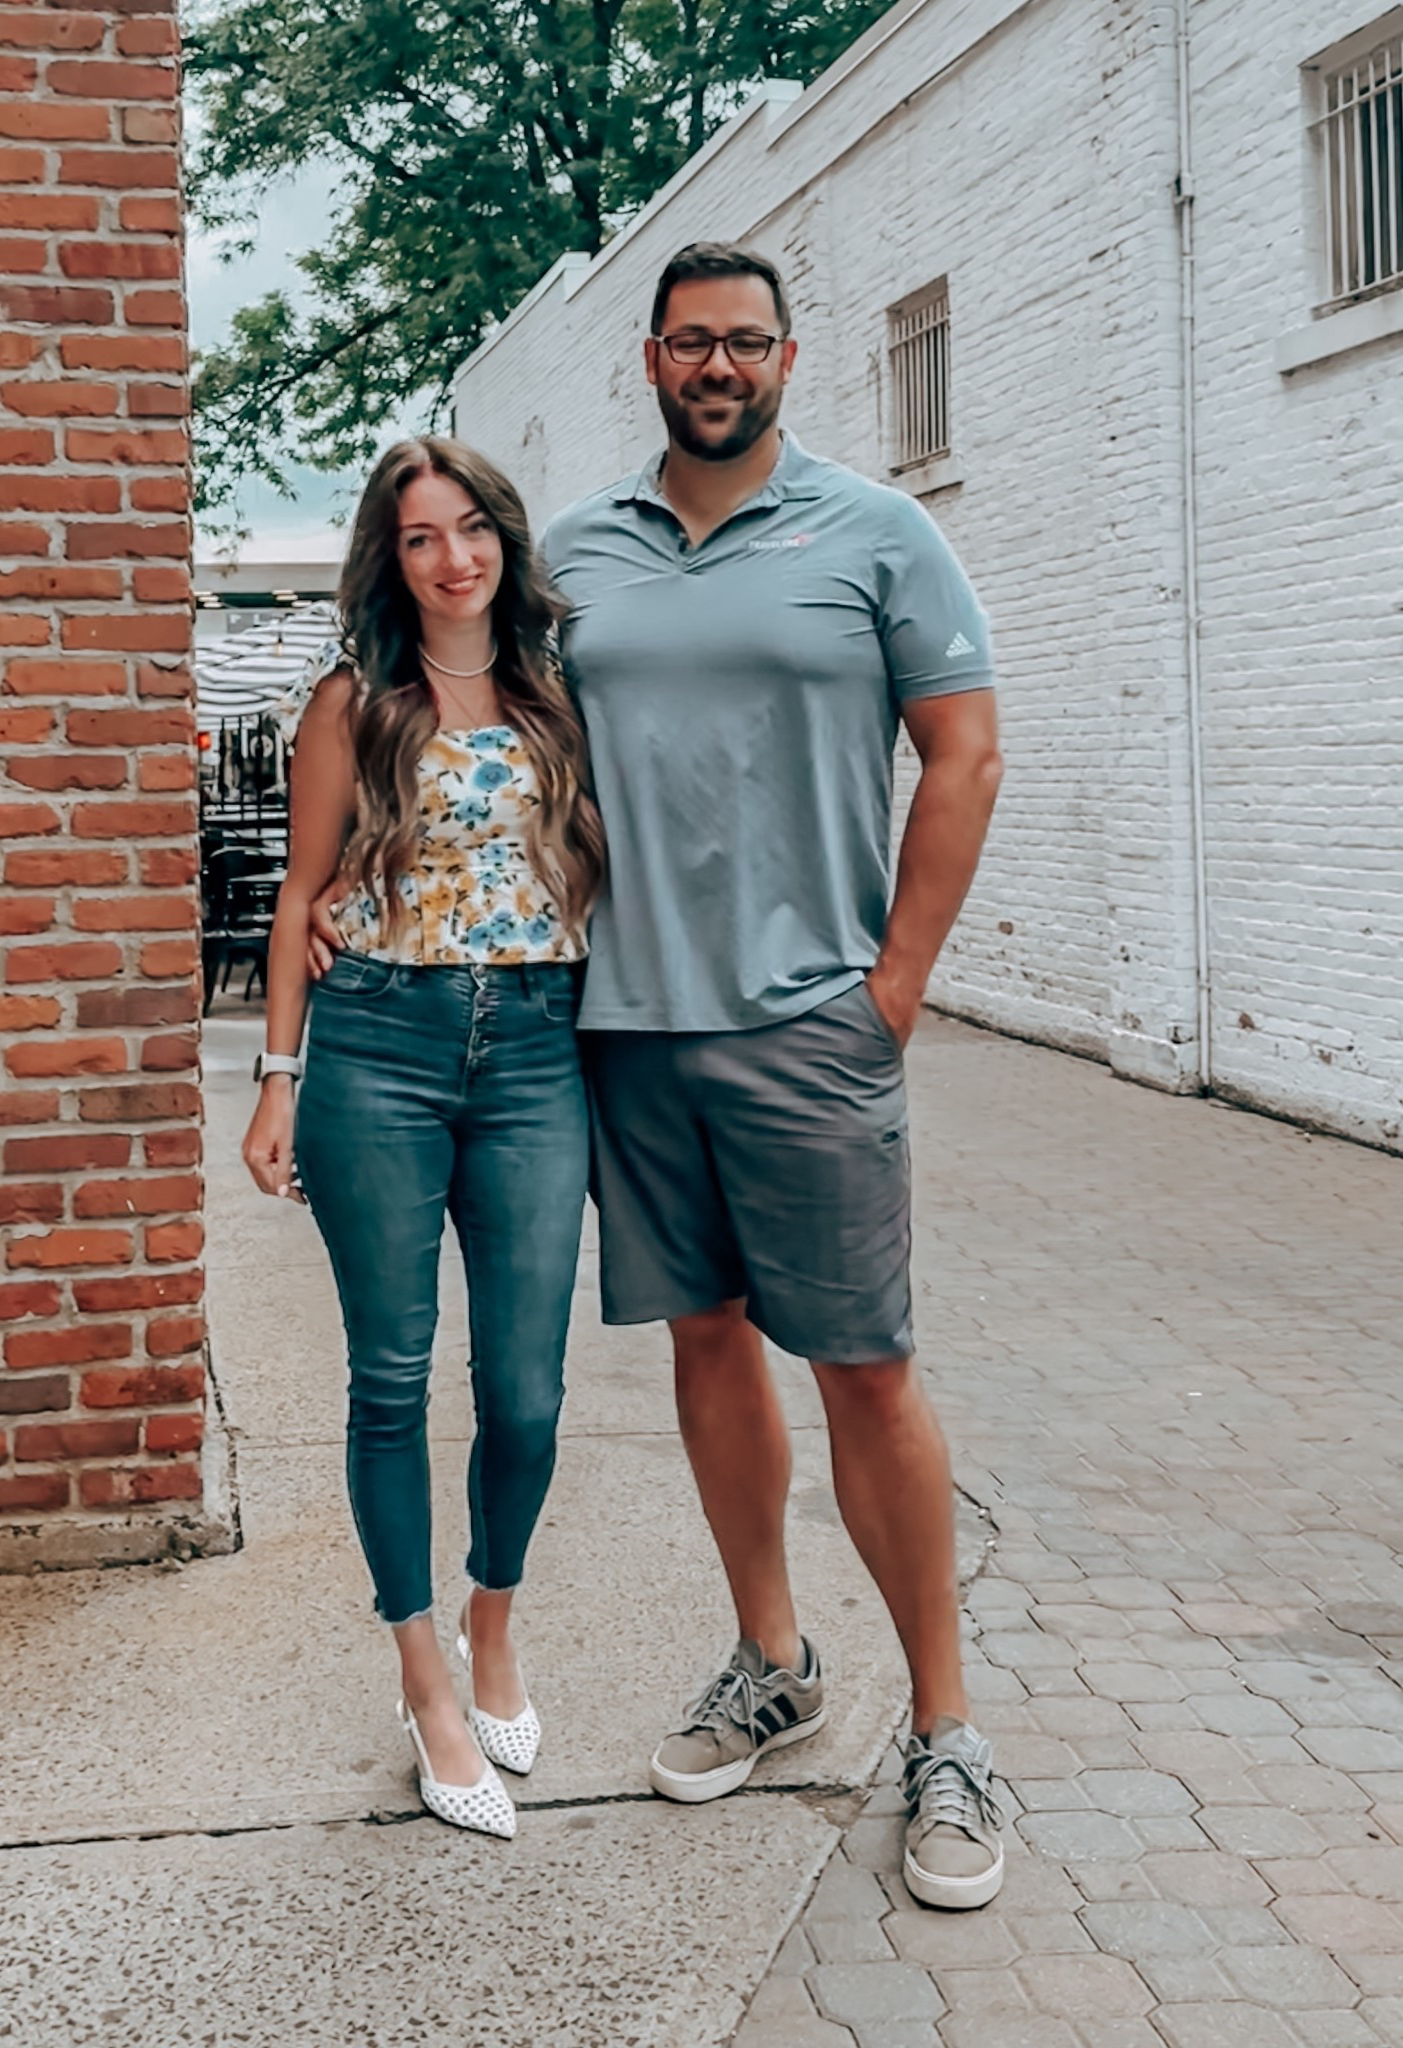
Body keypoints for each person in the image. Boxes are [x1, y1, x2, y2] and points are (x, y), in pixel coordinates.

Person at [540, 241, 1007, 1910]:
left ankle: (947, 1729)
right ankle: (772, 1659)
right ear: (652, 360)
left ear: (790, 361)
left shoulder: (880, 535)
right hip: (627, 1028)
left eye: (745, 341)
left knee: (866, 1367)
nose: (716, 365)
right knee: (707, 1343)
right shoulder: (574, 552)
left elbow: (965, 751)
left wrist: (892, 991)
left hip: (814, 1027)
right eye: (689, 341)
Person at [244, 436, 603, 1841]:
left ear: (504, 542)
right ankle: (424, 1679)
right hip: (381, 1047)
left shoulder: (561, 698)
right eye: (418, 538)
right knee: (390, 1380)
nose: (451, 558)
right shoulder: (355, 701)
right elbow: (298, 895)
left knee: (524, 1387)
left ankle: (491, 1621)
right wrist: (278, 1080)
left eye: (470, 531)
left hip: (535, 1051)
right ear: (387, 562)